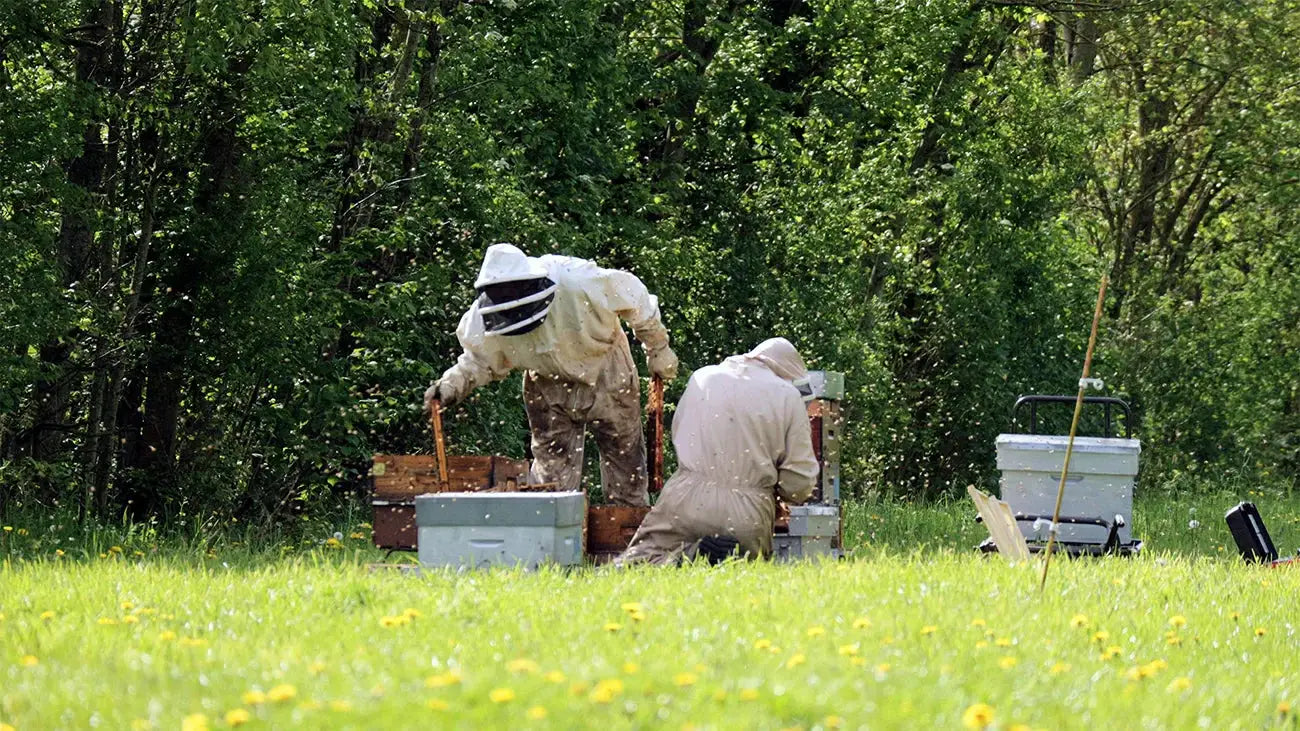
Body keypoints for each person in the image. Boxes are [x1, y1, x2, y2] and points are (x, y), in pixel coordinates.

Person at [424, 243, 677, 506]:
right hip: (546, 383)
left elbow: (636, 298)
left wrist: (658, 347)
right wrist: (452, 384)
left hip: (606, 369)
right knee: (551, 477)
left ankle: (625, 534)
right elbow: (478, 360)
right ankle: (552, 540)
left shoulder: (577, 280)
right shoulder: (485, 317)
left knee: (625, 462)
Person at [616, 337, 819, 564]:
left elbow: (679, 432)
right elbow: (799, 481)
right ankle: (704, 558)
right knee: (739, 575)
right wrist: (783, 495)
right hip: (745, 512)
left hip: (684, 499)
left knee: (639, 563)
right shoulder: (787, 396)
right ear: (788, 372)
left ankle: (684, 560)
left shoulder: (703, 376)